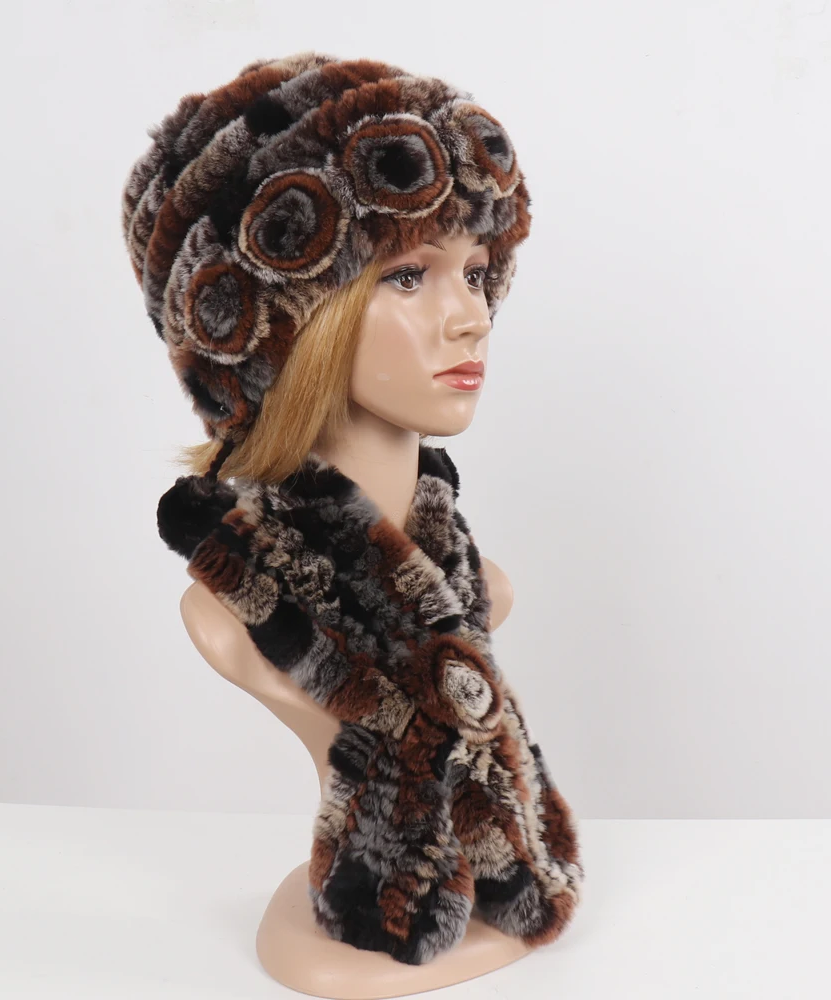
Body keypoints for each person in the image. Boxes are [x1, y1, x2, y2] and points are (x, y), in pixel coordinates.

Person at [122, 52, 584, 994]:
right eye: (409, 275)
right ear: (282, 321)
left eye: (476, 271)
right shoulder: (232, 618)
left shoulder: (478, 588)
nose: (472, 317)